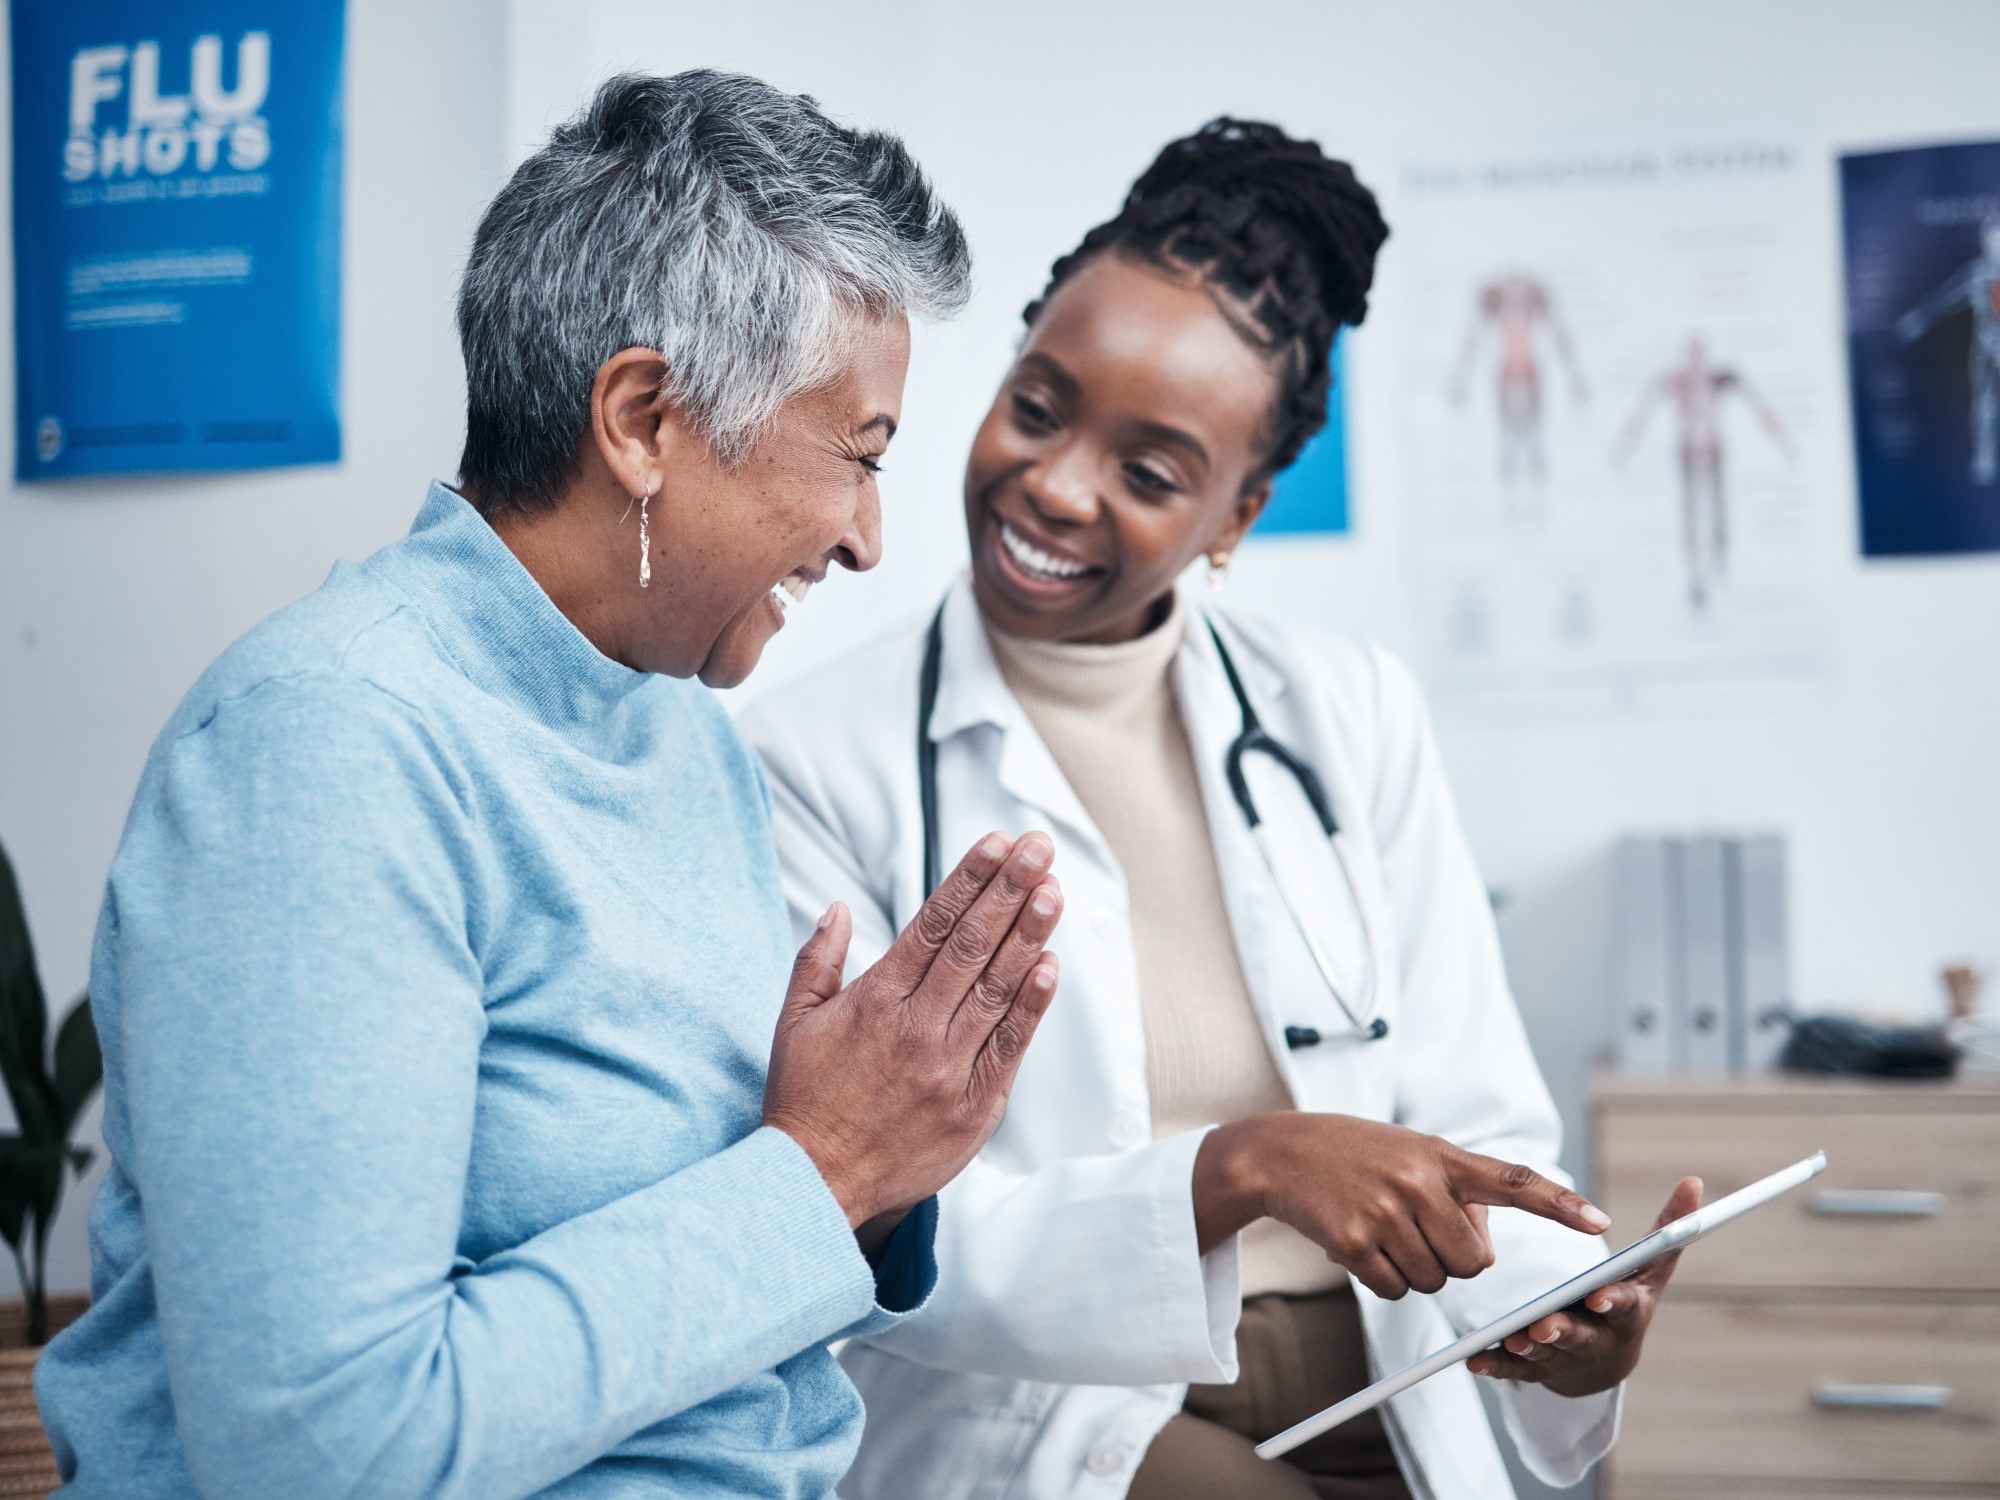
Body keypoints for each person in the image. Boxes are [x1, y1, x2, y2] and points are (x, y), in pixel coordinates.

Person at [37, 72, 1069, 1500]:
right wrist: (821, 1170)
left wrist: (881, 1167)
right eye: (857, 456)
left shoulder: (680, 731)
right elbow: (322, 1450)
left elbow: (733, 1263)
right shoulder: (328, 749)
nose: (867, 538)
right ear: (643, 419)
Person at [741, 120, 1697, 1500]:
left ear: (1238, 515)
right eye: (1040, 404)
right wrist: (1235, 1170)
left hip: (1394, 1370)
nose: (1055, 486)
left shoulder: (1347, 711)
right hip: (1045, 1406)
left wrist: (1560, 1315)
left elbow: (1476, 1118)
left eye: (1151, 472)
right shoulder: (813, 755)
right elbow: (867, 1221)